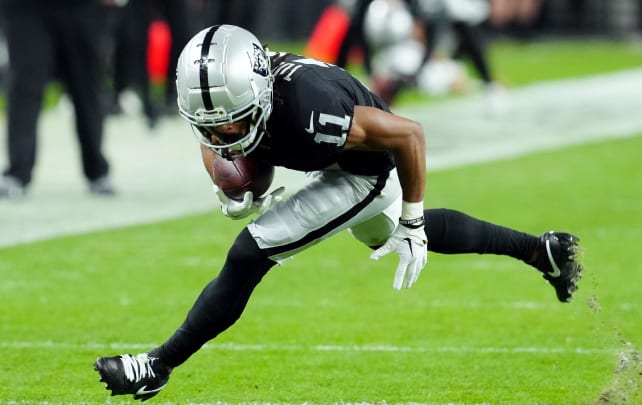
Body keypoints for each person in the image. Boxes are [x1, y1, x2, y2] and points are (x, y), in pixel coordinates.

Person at [92, 24, 583, 401]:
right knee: (382, 235)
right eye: (213, 126)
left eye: (231, 124)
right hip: (334, 154)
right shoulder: (231, 96)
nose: (223, 137)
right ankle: (542, 251)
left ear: (259, 95)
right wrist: (230, 187)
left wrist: (413, 217)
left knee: (249, 254)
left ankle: (156, 365)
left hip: (362, 170)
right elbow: (213, 137)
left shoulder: (314, 111)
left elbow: (408, 133)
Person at [0, 0, 116, 198]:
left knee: (87, 89)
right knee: (25, 86)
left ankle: (97, 170)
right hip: (25, 7)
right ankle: (17, 172)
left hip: (82, 7)